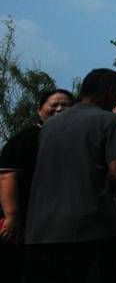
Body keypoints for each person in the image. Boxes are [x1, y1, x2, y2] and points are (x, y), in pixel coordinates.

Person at [24, 69, 116, 283]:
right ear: (110, 92)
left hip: (40, 229)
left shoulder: (49, 126)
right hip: (91, 228)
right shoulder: (109, 122)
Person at [0, 88, 74, 282]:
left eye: (65, 106)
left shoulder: (74, 140)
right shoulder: (26, 139)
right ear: (40, 109)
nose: (59, 109)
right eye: (54, 105)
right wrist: (11, 215)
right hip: (23, 222)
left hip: (55, 223)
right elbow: (7, 176)